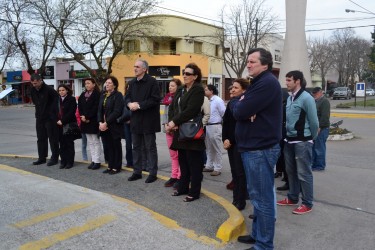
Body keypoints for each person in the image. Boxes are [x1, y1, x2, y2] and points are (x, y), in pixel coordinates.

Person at [233, 48, 282, 250]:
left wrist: (241, 104)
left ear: (265, 64)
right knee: (257, 197)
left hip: (260, 149)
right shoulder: (258, 83)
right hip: (254, 148)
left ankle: (264, 244)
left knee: (262, 199)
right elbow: (243, 110)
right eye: (248, 61)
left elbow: (239, 111)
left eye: (252, 61)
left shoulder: (266, 83)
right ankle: (257, 235)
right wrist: (243, 105)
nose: (249, 64)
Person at [277, 70, 319, 215]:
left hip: (302, 142)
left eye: (289, 80)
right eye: (286, 80)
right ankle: (293, 198)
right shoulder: (289, 98)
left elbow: (314, 122)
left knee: (304, 173)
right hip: (289, 141)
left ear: (298, 81)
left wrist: (311, 138)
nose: (286, 83)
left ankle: (307, 203)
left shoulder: (307, 98)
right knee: (291, 172)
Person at [166, 63, 205, 202]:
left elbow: (192, 110)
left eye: (188, 74)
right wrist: (172, 122)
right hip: (179, 131)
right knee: (183, 162)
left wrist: (174, 122)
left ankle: (194, 192)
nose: (184, 75)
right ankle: (183, 187)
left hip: (191, 131)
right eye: (184, 73)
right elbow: (173, 107)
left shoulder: (198, 90)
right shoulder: (181, 89)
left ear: (195, 76)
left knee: (194, 164)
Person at [125, 59, 161, 183]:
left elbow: (155, 99)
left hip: (148, 120)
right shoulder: (132, 82)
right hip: (135, 120)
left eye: (137, 67)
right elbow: (127, 97)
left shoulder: (152, 82)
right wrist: (129, 104)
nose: (135, 68)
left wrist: (139, 105)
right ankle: (137, 171)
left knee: (150, 147)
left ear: (144, 69)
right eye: (134, 66)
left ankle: (152, 173)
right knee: (136, 147)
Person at [222, 78, 249, 211]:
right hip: (230, 142)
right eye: (232, 87)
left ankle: (241, 200)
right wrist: (225, 138)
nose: (232, 90)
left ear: (244, 90)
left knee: (240, 173)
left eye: (236, 88)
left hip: (240, 142)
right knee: (234, 172)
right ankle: (236, 198)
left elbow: (240, 125)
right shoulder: (232, 103)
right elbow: (226, 123)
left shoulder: (244, 104)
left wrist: (230, 139)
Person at [30, 73, 59, 166]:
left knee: (52, 138)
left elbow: (56, 103)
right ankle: (42, 158)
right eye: (33, 83)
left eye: (35, 83)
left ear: (40, 81)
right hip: (39, 117)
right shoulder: (32, 90)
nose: (34, 85)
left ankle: (54, 158)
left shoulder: (49, 90)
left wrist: (52, 115)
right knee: (41, 138)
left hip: (50, 118)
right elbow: (35, 102)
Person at [98, 76, 124, 175]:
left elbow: (117, 111)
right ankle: (110, 165)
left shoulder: (118, 95)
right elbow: (99, 110)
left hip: (113, 126)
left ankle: (116, 167)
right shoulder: (103, 95)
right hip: (104, 126)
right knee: (108, 146)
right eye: (106, 83)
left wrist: (106, 123)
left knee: (115, 146)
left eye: (109, 83)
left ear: (114, 85)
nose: (107, 84)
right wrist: (100, 122)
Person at [78, 78, 102, 170]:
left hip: (93, 121)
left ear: (94, 84)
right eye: (85, 84)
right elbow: (79, 107)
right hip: (84, 121)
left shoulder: (97, 95)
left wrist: (87, 117)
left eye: (88, 83)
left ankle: (97, 161)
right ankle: (93, 160)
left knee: (96, 141)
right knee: (90, 142)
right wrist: (83, 117)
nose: (87, 85)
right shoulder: (83, 95)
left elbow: (96, 108)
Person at [162, 78, 182, 187]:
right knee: (173, 155)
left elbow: (181, 114)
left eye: (173, 86)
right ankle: (173, 176)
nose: (170, 87)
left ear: (178, 87)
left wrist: (173, 125)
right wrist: (165, 125)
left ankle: (180, 176)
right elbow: (165, 115)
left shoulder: (180, 98)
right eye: (169, 86)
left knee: (180, 155)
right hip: (168, 129)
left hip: (177, 129)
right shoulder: (167, 99)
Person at [202, 84, 226, 176]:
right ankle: (209, 165)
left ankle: (217, 168)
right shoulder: (208, 100)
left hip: (215, 126)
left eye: (206, 90)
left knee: (216, 148)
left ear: (211, 91)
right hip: (208, 126)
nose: (205, 91)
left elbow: (223, 113)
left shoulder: (217, 100)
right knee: (208, 147)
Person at [57, 84, 77, 169]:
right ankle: (63, 161)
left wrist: (63, 121)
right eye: (60, 90)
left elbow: (71, 112)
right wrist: (57, 120)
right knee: (62, 144)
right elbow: (54, 111)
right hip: (58, 124)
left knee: (69, 143)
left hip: (68, 124)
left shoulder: (71, 99)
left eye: (63, 90)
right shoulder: (57, 100)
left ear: (67, 90)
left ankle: (70, 162)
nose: (61, 92)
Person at [311, 87, 330, 171]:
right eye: (313, 94)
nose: (314, 95)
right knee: (314, 147)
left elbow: (325, 116)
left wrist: (320, 127)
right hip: (316, 128)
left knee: (319, 148)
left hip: (322, 128)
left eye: (316, 93)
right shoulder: (316, 101)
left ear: (321, 93)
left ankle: (320, 166)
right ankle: (314, 164)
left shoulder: (324, 101)